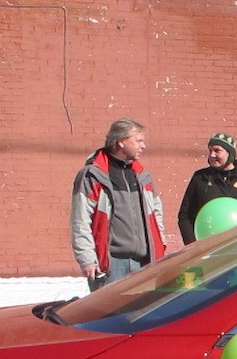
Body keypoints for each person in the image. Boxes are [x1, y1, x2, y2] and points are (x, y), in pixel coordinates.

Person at [70, 117, 166, 289]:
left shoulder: (143, 177)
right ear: (121, 142)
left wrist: (161, 245)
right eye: (138, 141)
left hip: (143, 263)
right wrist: (87, 259)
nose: (143, 146)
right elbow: (80, 219)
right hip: (110, 265)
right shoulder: (93, 175)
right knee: (109, 315)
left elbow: (156, 214)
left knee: (140, 315)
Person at [176, 133, 237, 244]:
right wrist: (192, 245)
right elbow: (185, 215)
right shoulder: (200, 178)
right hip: (208, 248)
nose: (212, 155)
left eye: (217, 151)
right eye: (210, 150)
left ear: (230, 154)